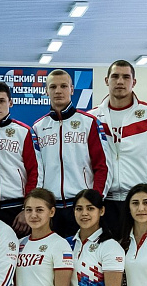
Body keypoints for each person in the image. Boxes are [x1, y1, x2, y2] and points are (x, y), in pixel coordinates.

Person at [90, 60, 147, 233]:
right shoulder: (93, 118)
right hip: (105, 200)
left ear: (133, 82)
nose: (120, 81)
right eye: (115, 76)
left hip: (140, 201)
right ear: (106, 80)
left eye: (126, 77)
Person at [33, 70, 110, 238]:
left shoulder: (89, 122)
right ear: (46, 91)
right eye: (53, 87)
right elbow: (37, 171)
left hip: (81, 206)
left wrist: (94, 199)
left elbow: (102, 166)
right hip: (51, 208)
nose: (58, 91)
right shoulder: (38, 127)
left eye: (63, 86)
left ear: (72, 89)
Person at [0, 81, 40, 234]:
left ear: (10, 103)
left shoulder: (24, 132)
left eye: (1, 101)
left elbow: (35, 172)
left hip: (17, 208)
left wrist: (28, 208)